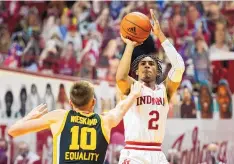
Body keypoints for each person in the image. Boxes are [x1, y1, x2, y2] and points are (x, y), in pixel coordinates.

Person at [8, 80, 142, 164]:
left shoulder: (58, 116)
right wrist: (134, 94)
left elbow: (12, 131)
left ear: (70, 103)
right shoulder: (105, 121)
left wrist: (28, 117)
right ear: (93, 102)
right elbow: (120, 109)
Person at [116, 9, 185, 164]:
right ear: (137, 71)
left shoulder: (165, 91)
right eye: (143, 64)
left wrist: (160, 34)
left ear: (158, 70)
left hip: (157, 154)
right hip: (134, 153)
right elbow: (120, 77)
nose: (147, 65)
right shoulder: (132, 88)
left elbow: (179, 66)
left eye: (151, 63)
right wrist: (129, 45)